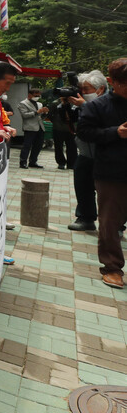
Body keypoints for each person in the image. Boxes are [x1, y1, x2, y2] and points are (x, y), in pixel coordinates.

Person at [75, 58, 127, 289]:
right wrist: (115, 132)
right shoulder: (96, 106)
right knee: (109, 222)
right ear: (112, 82)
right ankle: (112, 268)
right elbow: (84, 132)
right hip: (111, 172)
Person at [69, 71, 108, 231]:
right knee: (83, 186)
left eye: (87, 89)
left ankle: (114, 224)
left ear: (100, 89)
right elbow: (72, 122)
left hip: (107, 155)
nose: (83, 92)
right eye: (81, 89)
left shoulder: (110, 102)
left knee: (109, 192)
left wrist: (84, 105)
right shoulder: (80, 104)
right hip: (85, 152)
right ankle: (85, 218)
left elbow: (105, 119)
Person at [17, 88, 48, 168]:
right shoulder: (23, 103)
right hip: (30, 127)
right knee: (27, 146)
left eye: (38, 95)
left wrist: (44, 113)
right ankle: (23, 162)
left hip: (40, 127)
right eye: (35, 95)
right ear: (30, 95)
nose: (37, 97)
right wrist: (37, 112)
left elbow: (41, 117)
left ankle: (33, 162)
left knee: (38, 146)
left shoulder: (39, 104)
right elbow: (24, 115)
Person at [48, 95, 78, 170]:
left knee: (72, 147)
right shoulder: (55, 103)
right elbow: (50, 114)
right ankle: (61, 162)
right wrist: (55, 122)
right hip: (58, 128)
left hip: (71, 128)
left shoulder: (73, 102)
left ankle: (72, 163)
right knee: (58, 147)